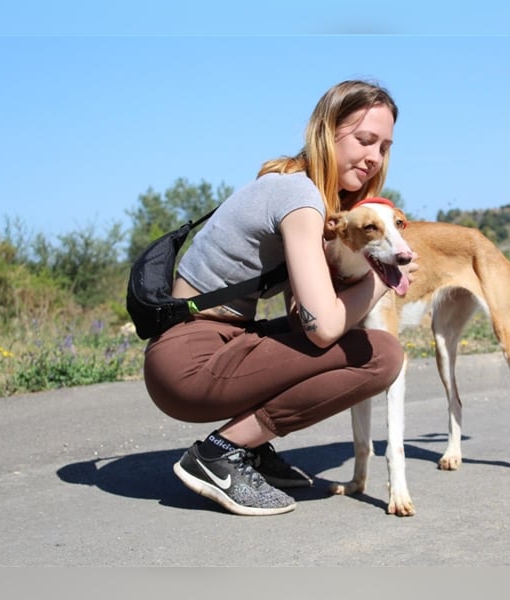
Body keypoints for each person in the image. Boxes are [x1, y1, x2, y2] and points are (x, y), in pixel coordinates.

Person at [143, 79, 417, 516]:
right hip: (189, 361)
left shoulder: (299, 189)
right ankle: (221, 451)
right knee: (381, 353)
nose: (374, 157)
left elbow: (301, 316)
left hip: (215, 345)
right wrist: (387, 275)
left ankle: (250, 447)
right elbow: (324, 327)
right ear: (327, 132)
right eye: (365, 140)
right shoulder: (300, 198)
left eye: (384, 147)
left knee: (336, 340)